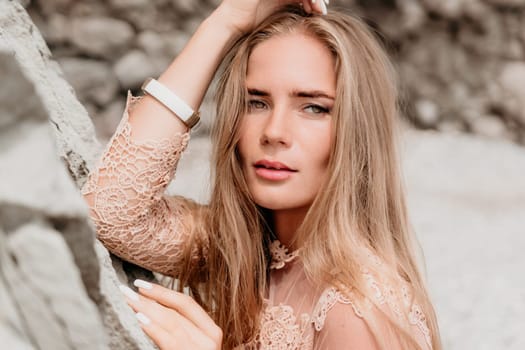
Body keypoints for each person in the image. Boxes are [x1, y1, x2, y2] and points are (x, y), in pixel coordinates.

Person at [81, 0, 442, 349]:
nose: (274, 131)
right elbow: (111, 211)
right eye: (256, 102)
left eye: (313, 107)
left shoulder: (358, 310)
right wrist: (226, 21)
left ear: (357, 133)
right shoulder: (240, 249)